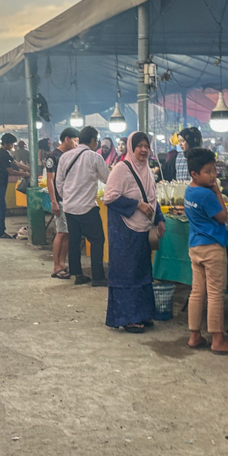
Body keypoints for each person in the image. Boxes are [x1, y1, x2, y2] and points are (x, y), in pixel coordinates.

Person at [103, 132, 166, 332]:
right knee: (126, 273)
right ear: (131, 147)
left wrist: (160, 218)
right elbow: (109, 198)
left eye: (146, 146)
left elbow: (151, 197)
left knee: (142, 271)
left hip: (142, 229)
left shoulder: (146, 169)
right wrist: (137, 205)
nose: (143, 150)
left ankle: (143, 313)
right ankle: (127, 317)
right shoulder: (121, 169)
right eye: (139, 145)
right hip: (124, 231)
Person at [184, 148, 228, 355]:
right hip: (212, 247)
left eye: (214, 170)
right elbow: (223, 217)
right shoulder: (206, 194)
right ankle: (218, 339)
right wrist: (218, 192)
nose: (214, 175)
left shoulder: (190, 191)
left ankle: (194, 335)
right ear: (194, 174)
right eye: (208, 171)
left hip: (195, 247)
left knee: (197, 292)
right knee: (216, 294)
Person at [55, 125, 110, 286]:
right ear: (92, 140)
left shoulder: (65, 157)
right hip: (87, 207)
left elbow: (59, 182)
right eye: (97, 140)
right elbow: (108, 179)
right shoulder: (94, 157)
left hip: (70, 207)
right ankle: (98, 277)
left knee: (74, 240)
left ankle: (78, 274)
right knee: (97, 240)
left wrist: (67, 198)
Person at [45, 127, 79, 279]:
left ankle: (62, 264)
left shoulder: (68, 155)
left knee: (67, 233)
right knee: (61, 232)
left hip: (69, 199)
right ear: (67, 139)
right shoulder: (54, 156)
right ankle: (56, 266)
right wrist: (54, 202)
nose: (76, 143)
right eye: (75, 140)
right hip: (60, 200)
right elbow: (50, 180)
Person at [0, 133, 29, 238]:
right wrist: (25, 174)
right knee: (0, 208)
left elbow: (17, 164)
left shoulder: (5, 153)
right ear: (5, 143)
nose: (12, 146)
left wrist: (30, 168)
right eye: (11, 144)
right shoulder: (1, 155)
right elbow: (11, 171)